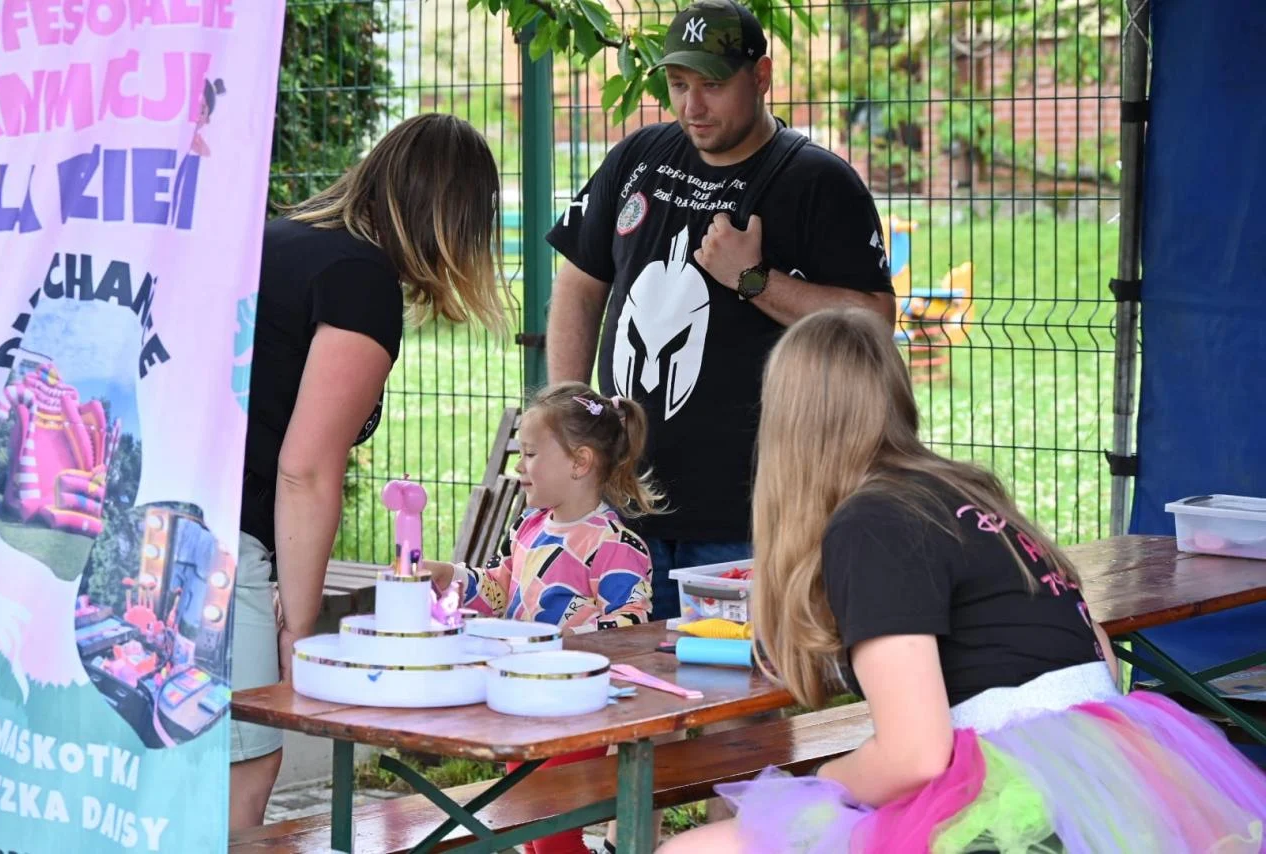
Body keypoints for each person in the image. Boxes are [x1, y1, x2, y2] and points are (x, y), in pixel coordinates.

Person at [659, 308, 1266, 853]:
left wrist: (822, 783)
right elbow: (1098, 658)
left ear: (787, 425)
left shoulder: (871, 520)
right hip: (1118, 775)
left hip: (1013, 799)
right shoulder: (970, 494)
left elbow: (916, 756)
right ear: (895, 396)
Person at [545, 0, 896, 623]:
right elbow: (579, 283)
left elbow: (872, 321)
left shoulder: (818, 182)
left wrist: (754, 280)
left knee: (731, 680)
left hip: (748, 518)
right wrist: (570, 411)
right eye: (679, 85)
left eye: (712, 85)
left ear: (761, 77)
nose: (692, 107)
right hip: (625, 504)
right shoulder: (637, 157)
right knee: (621, 675)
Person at [229, 113, 511, 831]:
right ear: (454, 219)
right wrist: (299, 624)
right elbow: (305, 469)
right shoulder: (359, 280)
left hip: (146, 516)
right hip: (221, 548)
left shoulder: (277, 240)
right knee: (243, 766)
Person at [425, 382, 660, 854]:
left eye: (530, 454)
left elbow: (634, 630)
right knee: (527, 827)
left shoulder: (614, 546)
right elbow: (500, 589)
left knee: (552, 833)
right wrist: (449, 576)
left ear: (579, 462)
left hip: (577, 710)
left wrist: (564, 642)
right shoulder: (529, 528)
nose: (519, 467)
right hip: (523, 701)